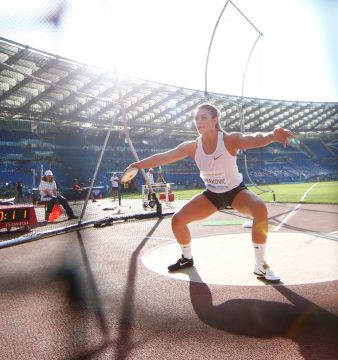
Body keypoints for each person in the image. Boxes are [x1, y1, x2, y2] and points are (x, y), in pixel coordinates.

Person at [124, 103, 294, 281]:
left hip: (236, 192)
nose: (198, 121)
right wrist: (137, 165)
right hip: (212, 195)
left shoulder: (229, 140)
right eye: (196, 118)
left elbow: (253, 138)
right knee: (178, 221)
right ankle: (186, 258)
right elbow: (164, 157)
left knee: (260, 209)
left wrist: (272, 136)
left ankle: (260, 265)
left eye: (203, 117)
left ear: (215, 120)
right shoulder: (192, 146)